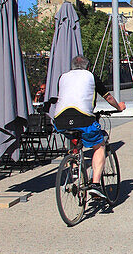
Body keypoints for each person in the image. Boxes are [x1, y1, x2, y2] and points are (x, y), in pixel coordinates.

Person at [53, 55, 125, 197]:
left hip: (60, 119)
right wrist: (119, 107)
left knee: (75, 137)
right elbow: (108, 97)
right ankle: (95, 184)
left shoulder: (63, 77)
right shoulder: (91, 76)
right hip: (83, 117)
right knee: (99, 145)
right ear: (87, 67)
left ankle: (75, 166)